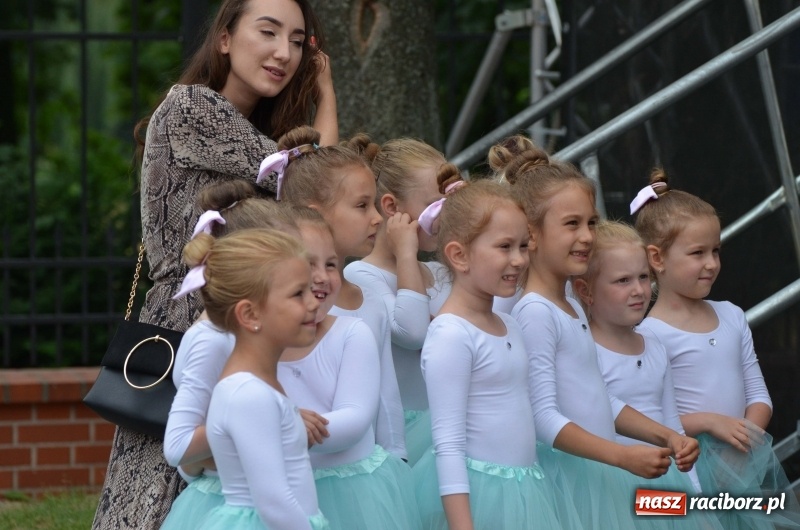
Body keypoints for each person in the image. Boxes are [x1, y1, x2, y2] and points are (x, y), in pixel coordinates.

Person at [93, 0, 337, 527]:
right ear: (224, 38)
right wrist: (328, 93)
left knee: (240, 490)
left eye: (297, 41)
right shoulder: (192, 108)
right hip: (190, 323)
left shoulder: (259, 130)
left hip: (240, 318)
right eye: (268, 32)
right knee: (158, 498)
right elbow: (319, 190)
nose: (284, 53)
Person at [498, 135, 701, 530]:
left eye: (591, 222)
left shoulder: (571, 305)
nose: (589, 236)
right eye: (572, 224)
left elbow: (595, 395)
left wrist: (662, 435)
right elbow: (542, 416)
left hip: (599, 472)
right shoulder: (535, 313)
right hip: (575, 483)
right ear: (532, 234)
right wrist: (620, 456)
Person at [412, 176, 583, 530]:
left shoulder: (511, 325)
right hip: (481, 499)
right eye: (505, 247)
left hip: (526, 491)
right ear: (459, 255)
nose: (520, 260)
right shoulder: (451, 334)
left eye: (523, 246)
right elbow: (448, 446)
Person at [635, 170, 800, 529]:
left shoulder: (731, 315)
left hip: (742, 462)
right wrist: (710, 423)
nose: (711, 263)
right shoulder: (648, 335)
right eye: (697, 253)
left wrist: (745, 450)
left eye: (715, 251)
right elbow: (650, 419)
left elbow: (759, 396)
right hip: (687, 472)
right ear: (657, 258)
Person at [160, 181, 301, 529]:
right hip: (230, 500)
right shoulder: (213, 341)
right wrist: (250, 425)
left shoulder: (258, 329)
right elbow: (179, 448)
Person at [172, 227, 327, 529]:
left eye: (310, 289)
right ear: (250, 315)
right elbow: (274, 501)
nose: (313, 302)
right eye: (298, 293)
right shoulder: (248, 394)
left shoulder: (256, 384)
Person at [278, 209, 422, 529]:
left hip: (353, 495)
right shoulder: (252, 341)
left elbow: (356, 417)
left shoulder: (351, 333)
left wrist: (279, 429)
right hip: (280, 492)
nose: (322, 275)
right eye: (307, 264)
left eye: (331, 264)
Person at [278, 126, 406, 461]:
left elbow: (385, 394)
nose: (378, 218)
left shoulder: (372, 299)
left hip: (357, 477)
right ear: (315, 214)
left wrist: (397, 456)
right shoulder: (274, 306)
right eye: (362, 205)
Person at [572, 220, 705, 496]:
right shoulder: (583, 350)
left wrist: (694, 490)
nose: (639, 290)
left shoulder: (655, 345)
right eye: (623, 280)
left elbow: (672, 423)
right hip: (615, 486)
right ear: (585, 291)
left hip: (668, 485)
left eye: (643, 277)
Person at [344, 139, 453, 466]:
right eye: (436, 204)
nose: (446, 215)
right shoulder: (362, 276)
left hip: (450, 426)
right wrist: (406, 251)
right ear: (391, 207)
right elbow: (414, 331)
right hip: (405, 439)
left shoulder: (442, 272)